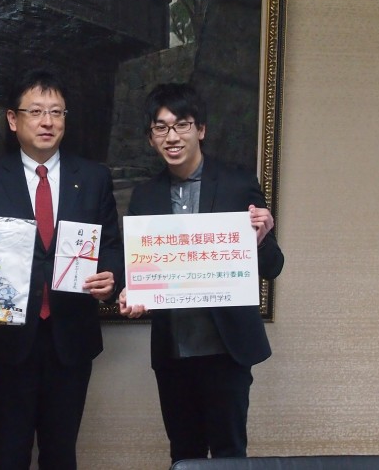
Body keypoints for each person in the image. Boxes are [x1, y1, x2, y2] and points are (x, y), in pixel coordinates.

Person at [0, 69, 124, 470]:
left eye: (57, 112)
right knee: (8, 454)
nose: (48, 122)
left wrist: (111, 278)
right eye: (37, 112)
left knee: (61, 455)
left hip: (70, 337)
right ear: (13, 120)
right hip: (7, 341)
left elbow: (111, 247)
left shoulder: (92, 178)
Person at [119, 82, 284, 462]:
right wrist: (131, 291)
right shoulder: (145, 196)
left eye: (182, 125)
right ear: (151, 138)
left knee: (229, 454)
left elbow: (273, 266)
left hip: (226, 347)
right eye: (161, 128)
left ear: (201, 129)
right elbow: (140, 268)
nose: (172, 137)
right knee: (183, 455)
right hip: (174, 350)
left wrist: (261, 237)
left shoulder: (237, 183)